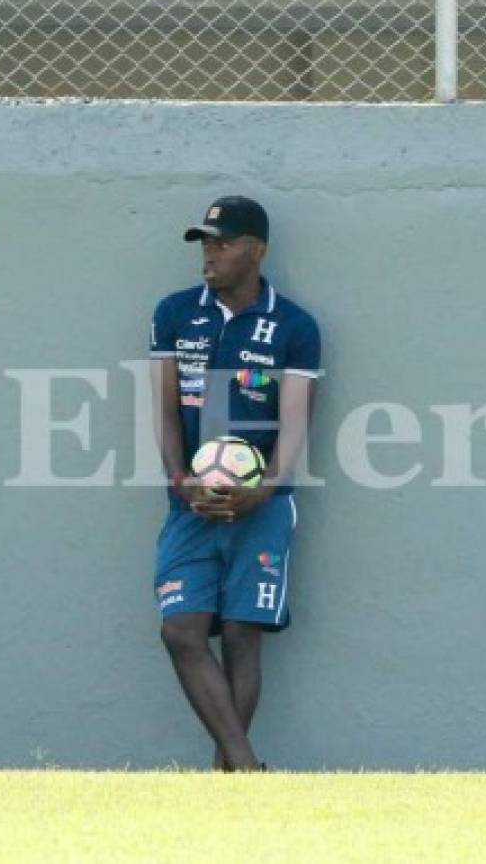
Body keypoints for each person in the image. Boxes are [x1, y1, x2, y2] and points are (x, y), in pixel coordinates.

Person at [149, 196, 321, 771]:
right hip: (190, 504)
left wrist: (264, 489)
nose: (210, 255)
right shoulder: (175, 314)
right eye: (204, 243)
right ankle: (246, 769)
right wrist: (181, 481)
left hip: (263, 505)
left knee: (244, 635)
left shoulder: (294, 326)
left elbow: (295, 422)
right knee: (181, 631)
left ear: (257, 250)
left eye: (222, 243)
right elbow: (166, 413)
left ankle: (230, 780)